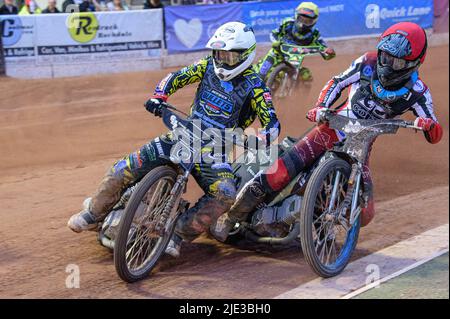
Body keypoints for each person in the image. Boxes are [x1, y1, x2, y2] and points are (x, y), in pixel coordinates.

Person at [212, 21, 443, 241]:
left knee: (365, 213)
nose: (388, 64)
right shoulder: (368, 62)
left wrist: (429, 126)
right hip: (332, 128)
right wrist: (321, 107)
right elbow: (337, 82)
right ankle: (230, 217)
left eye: (398, 62)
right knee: (282, 170)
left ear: (414, 63)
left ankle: (321, 226)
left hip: (361, 145)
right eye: (386, 56)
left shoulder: (419, 92)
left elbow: (434, 130)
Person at [67, 22, 280, 258]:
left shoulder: (256, 86)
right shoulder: (207, 66)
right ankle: (93, 214)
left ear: (245, 55)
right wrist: (159, 96)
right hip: (182, 134)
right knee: (124, 168)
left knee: (226, 194)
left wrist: (263, 137)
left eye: (229, 55)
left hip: (214, 151)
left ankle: (178, 234)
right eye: (219, 53)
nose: (222, 60)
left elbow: (272, 122)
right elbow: (176, 77)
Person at [255, 1, 335, 82]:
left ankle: (298, 93)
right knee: (260, 73)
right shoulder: (288, 23)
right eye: (301, 19)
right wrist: (275, 42)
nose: (303, 23)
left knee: (306, 76)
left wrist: (330, 52)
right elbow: (274, 33)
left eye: (307, 21)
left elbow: (325, 49)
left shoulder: (315, 34)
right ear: (297, 16)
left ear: (314, 21)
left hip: (295, 58)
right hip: (277, 53)